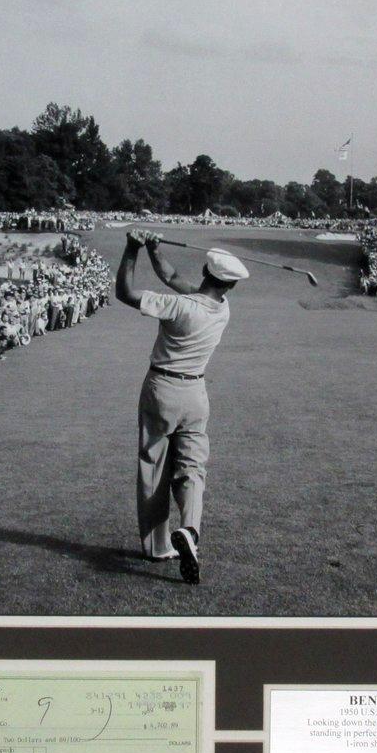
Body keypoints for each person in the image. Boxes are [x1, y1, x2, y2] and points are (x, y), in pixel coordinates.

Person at [115, 229, 248, 584]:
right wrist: (156, 249)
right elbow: (172, 276)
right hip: (196, 395)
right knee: (192, 469)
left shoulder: (179, 306)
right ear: (230, 285)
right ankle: (190, 529)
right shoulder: (223, 308)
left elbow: (125, 293)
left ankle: (158, 546)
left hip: (162, 389)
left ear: (206, 272)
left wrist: (133, 249)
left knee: (154, 468)